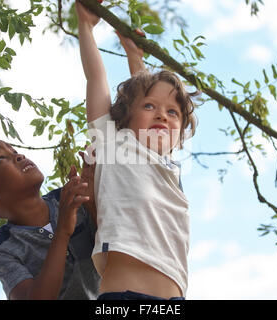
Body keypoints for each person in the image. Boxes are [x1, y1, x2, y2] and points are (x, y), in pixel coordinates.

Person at [76, 1, 197, 300]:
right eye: (150, 108)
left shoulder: (168, 168)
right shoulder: (115, 146)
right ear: (125, 118)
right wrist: (85, 26)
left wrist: (134, 55)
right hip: (123, 299)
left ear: (179, 136)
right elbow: (97, 79)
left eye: (173, 113)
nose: (162, 115)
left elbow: (147, 97)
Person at [0, 139, 99, 299]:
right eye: (1, 158)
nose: (19, 156)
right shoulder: (1, 248)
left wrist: (93, 203)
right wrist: (62, 231)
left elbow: (116, 246)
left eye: (15, 152)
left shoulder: (70, 197)